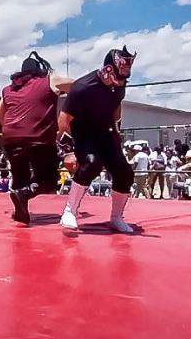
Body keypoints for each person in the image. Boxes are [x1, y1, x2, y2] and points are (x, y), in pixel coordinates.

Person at [58, 46, 137, 233]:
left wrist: (117, 130)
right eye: (119, 75)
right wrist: (68, 151)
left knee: (125, 172)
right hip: (83, 133)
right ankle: (70, 211)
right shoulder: (83, 87)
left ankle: (116, 217)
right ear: (109, 70)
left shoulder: (120, 85)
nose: (121, 81)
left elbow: (116, 106)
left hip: (106, 131)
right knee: (92, 164)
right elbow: (63, 120)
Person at [0, 51, 72, 224]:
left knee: (19, 179)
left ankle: (21, 212)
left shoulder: (8, 89)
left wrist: (13, 129)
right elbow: (76, 85)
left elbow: (0, 113)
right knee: (49, 181)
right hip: (38, 137)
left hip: (11, 137)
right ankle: (24, 194)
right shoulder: (49, 80)